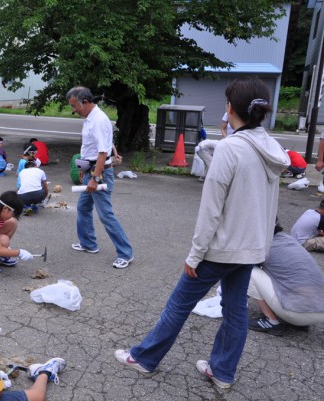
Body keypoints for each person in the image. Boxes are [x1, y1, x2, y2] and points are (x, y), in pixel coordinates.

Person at [114, 78, 290, 389]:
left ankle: (144, 358)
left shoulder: (231, 149)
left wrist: (194, 255)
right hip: (252, 248)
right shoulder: (271, 148)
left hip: (221, 249)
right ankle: (222, 372)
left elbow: (211, 210)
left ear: (230, 108)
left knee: (178, 304)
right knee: (234, 312)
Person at [65, 86, 134, 269]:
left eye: (74, 106)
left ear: (85, 102)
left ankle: (125, 253)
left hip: (99, 173)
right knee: (83, 207)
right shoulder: (89, 118)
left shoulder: (98, 120)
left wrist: (95, 179)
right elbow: (94, 147)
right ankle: (88, 243)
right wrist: (84, 167)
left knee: (106, 215)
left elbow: (103, 153)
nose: (74, 110)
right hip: (91, 170)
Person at [247, 223, 324, 336]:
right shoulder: (287, 239)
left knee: (247, 271)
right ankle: (299, 322)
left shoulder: (261, 245)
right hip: (320, 310)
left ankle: (271, 321)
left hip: (296, 312)